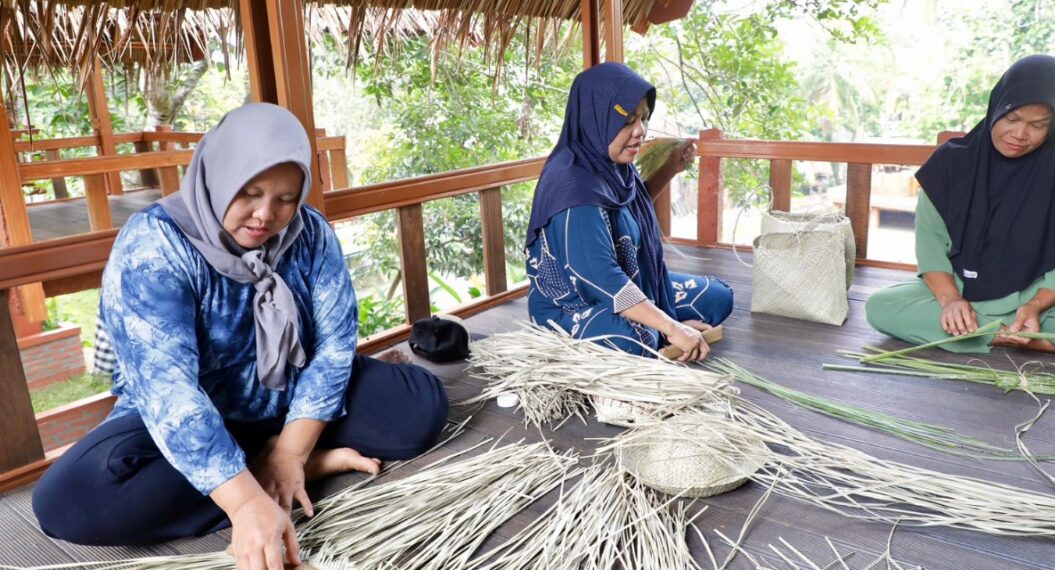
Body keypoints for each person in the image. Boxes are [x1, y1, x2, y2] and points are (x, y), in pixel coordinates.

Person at [32, 103, 449, 570]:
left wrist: (292, 449)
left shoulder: (309, 233)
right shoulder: (156, 244)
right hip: (194, 411)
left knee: (421, 407)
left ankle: (280, 461)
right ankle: (267, 472)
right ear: (217, 175)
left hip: (288, 401)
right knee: (69, 501)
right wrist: (246, 505)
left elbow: (334, 347)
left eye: (286, 198)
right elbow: (169, 391)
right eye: (249, 192)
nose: (265, 215)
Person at [865, 54, 1055, 376]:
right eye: (1012, 118)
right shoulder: (952, 163)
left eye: (1038, 125)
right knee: (881, 308)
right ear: (997, 106)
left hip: (1043, 297)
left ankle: (1016, 329)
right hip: (965, 289)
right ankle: (1026, 340)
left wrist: (1035, 306)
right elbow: (930, 242)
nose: (1020, 134)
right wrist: (950, 300)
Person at [525, 62, 733, 363]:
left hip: (629, 280)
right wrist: (671, 327)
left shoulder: (611, 167)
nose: (640, 131)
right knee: (636, 339)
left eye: (644, 119)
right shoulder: (573, 189)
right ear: (595, 116)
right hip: (575, 303)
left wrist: (670, 169)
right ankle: (656, 333)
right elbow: (601, 280)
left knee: (717, 298)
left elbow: (632, 210)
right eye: (627, 121)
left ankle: (658, 330)